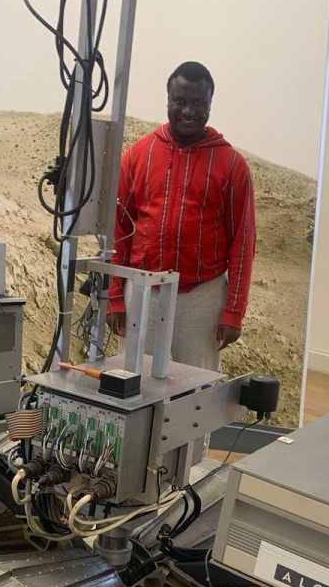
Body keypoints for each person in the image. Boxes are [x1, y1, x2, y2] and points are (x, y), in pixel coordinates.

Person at [105, 61, 256, 372]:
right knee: (132, 382)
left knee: (197, 389)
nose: (188, 110)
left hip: (202, 298)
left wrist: (233, 312)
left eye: (198, 103)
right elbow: (118, 231)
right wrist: (115, 296)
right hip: (143, 291)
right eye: (180, 101)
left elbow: (243, 243)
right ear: (168, 100)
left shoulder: (232, 165)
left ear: (210, 103)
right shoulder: (137, 156)